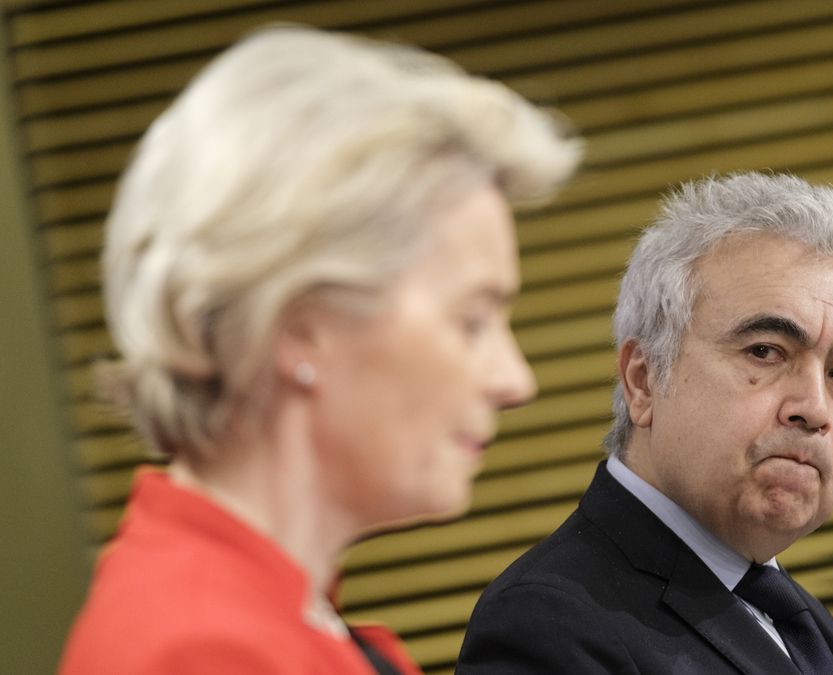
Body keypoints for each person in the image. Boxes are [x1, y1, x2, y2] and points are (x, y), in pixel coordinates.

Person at [58, 24, 580, 675]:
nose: (515, 380)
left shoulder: (270, 614)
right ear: (302, 326)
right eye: (472, 320)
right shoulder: (203, 652)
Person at [458, 172, 833, 674]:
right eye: (766, 352)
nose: (813, 408)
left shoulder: (810, 628)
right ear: (643, 381)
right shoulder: (546, 622)